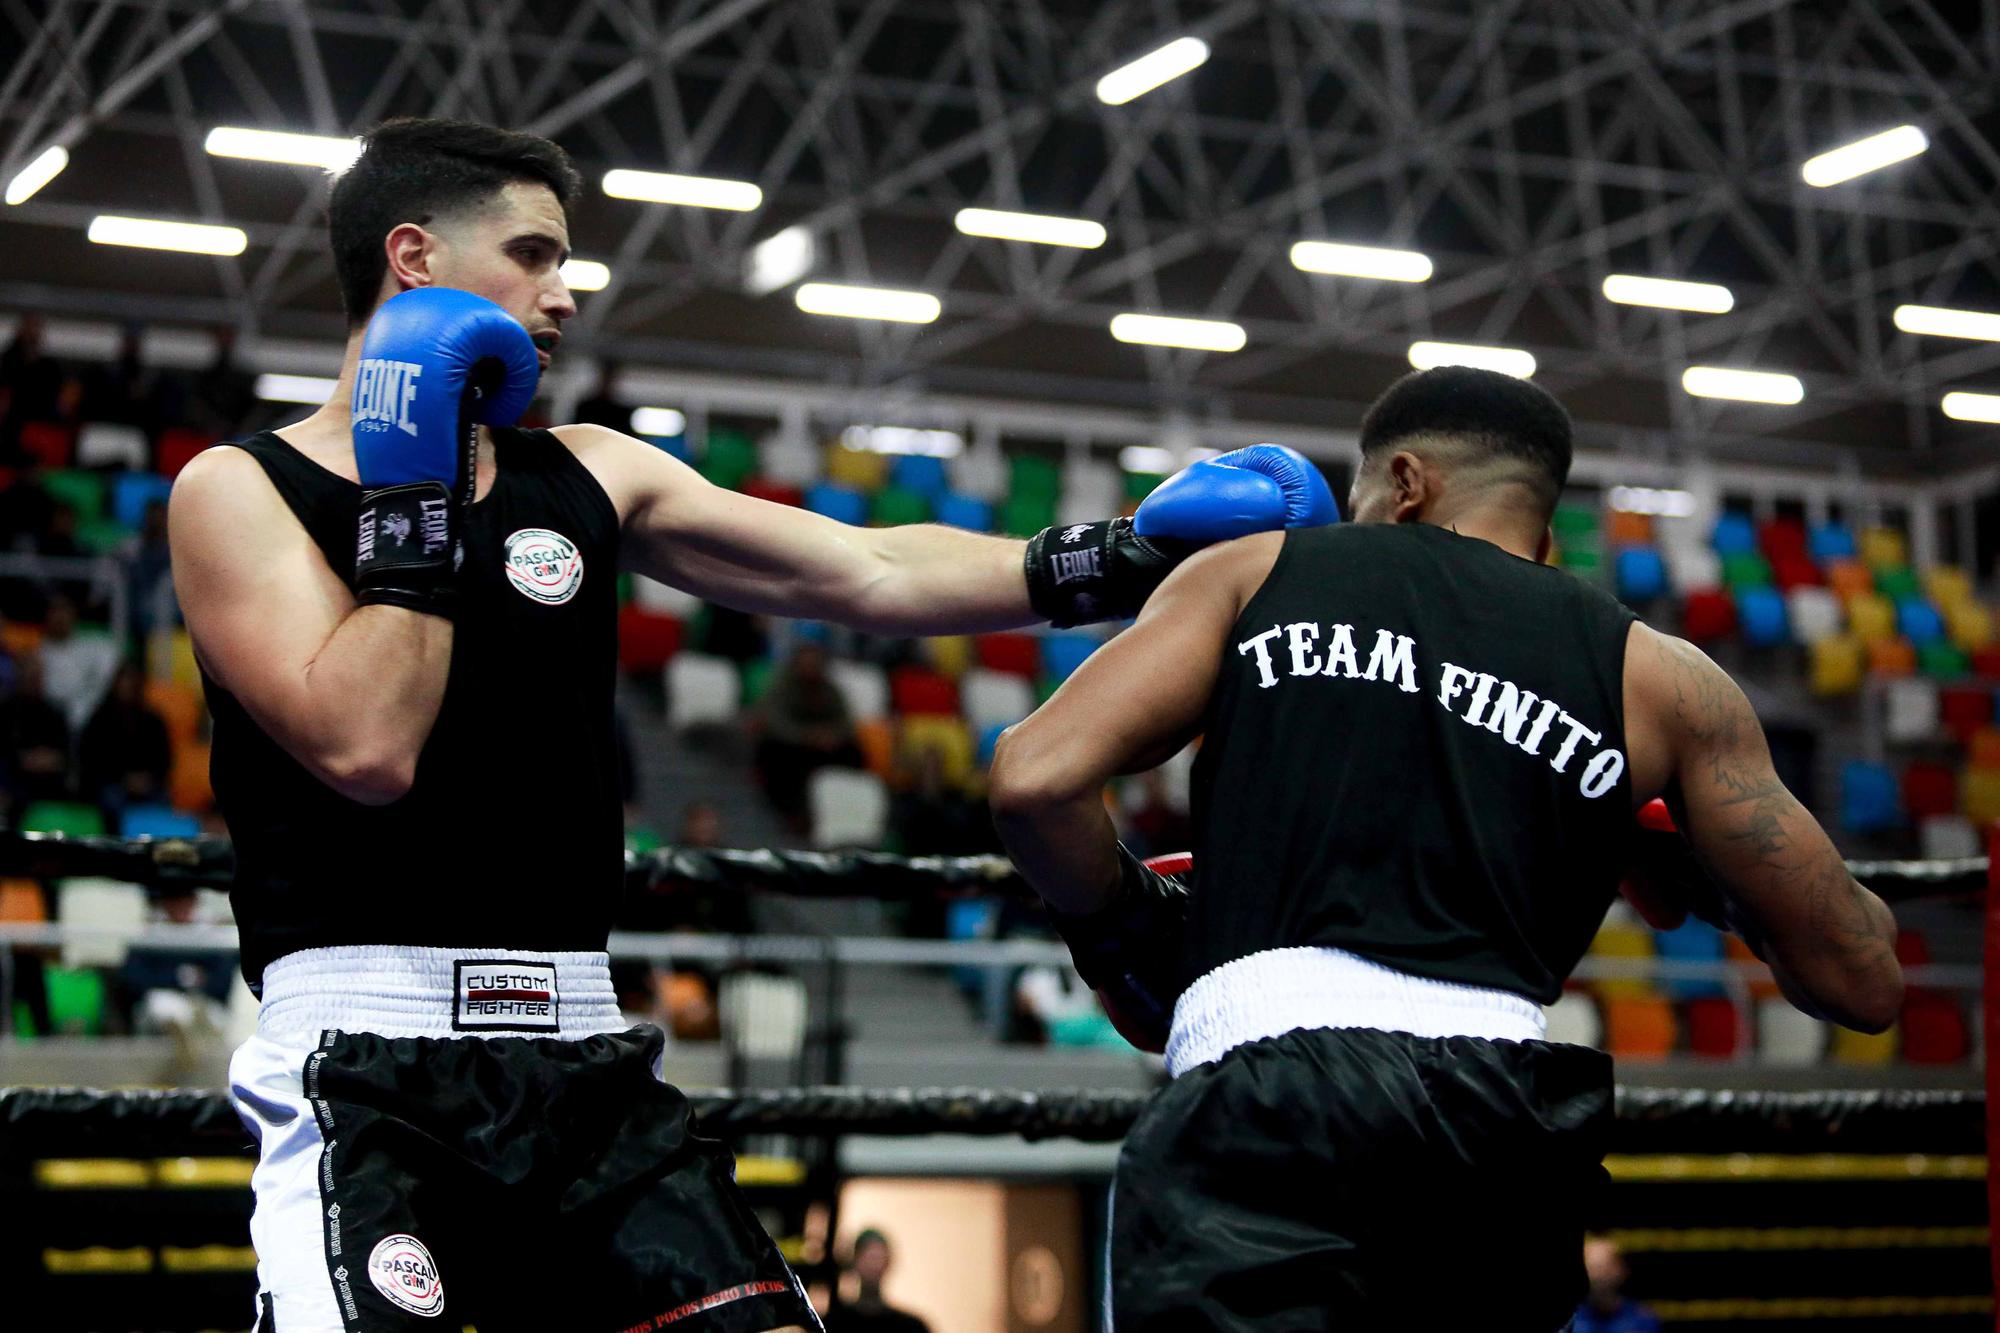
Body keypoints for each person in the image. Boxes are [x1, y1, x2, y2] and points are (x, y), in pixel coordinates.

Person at [168, 115, 1334, 1333]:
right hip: (364, 1057)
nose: (562, 296)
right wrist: (411, 501)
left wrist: (1118, 556)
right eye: (532, 256)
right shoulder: (242, 489)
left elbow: (866, 568)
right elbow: (365, 745)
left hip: (579, 1048)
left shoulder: (590, 468)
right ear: (412, 258)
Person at [989, 365, 1905, 1329]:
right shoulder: (1664, 680)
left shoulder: (1261, 569)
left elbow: (1034, 777)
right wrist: (1714, 879)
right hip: (1507, 1123)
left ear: (1405, 483)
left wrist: (1124, 930)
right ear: (1545, 536)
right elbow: (1864, 978)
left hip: (1268, 1096)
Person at [750, 642, 864, 831]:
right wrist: (806, 736)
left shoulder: (830, 689)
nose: (810, 669)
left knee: (854, 754)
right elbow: (774, 722)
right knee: (779, 757)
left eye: (815, 664)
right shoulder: (782, 687)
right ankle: (793, 812)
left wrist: (831, 736)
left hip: (824, 747)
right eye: (806, 664)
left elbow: (847, 723)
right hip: (791, 746)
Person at [78, 659, 172, 820]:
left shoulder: (153, 721)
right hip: (111, 785)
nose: (127, 686)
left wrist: (147, 780)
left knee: (162, 801)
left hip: (147, 787)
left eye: (132, 681)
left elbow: (163, 759)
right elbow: (91, 760)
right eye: (124, 680)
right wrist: (123, 780)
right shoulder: (99, 720)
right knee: (111, 800)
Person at [824, 1230, 930, 1333]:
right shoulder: (834, 1322)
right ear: (855, 1261)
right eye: (869, 1257)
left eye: (879, 1258)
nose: (873, 1265)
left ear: (887, 1264)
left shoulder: (912, 1327)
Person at [1573, 1234, 1661, 1333]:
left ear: (1621, 1270)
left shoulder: (1642, 1318)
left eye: (1604, 1268)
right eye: (1592, 1268)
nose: (1597, 1275)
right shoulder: (1568, 1321)